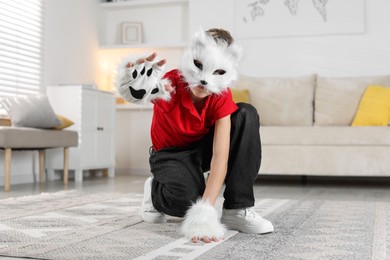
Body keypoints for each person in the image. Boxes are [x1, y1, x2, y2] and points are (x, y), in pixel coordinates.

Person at [117, 28, 274, 243]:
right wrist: (133, 84)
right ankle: (154, 192)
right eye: (199, 65)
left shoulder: (220, 94)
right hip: (169, 154)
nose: (204, 80)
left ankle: (237, 210)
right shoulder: (171, 82)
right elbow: (143, 92)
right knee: (185, 203)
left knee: (246, 113)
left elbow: (220, 157)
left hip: (201, 150)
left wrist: (205, 213)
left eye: (217, 71)